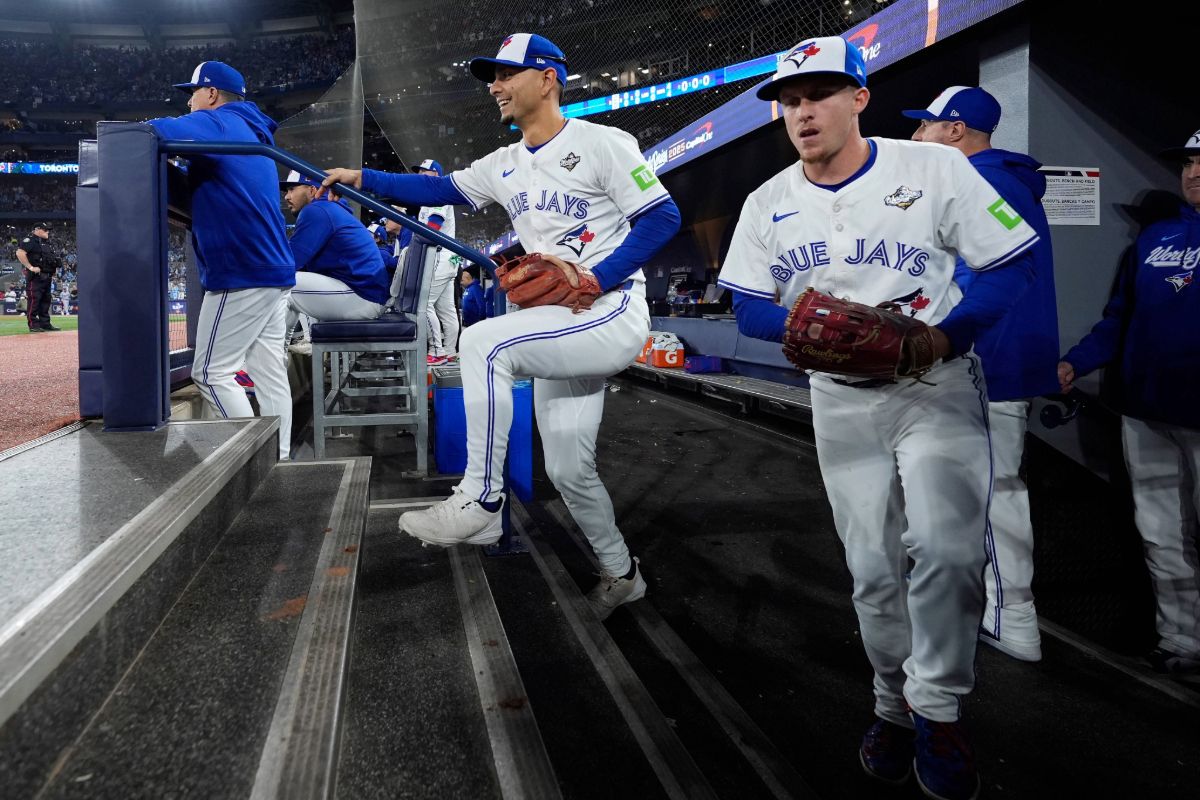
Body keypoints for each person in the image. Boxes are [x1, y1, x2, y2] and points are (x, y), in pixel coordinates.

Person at [718, 37, 1041, 800]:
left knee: (948, 552)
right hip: (840, 398)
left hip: (935, 384)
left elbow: (1010, 264)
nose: (803, 112)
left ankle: (938, 709)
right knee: (871, 567)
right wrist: (816, 329)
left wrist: (944, 336)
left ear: (859, 98)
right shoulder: (766, 201)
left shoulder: (932, 168)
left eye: (820, 95)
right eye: (790, 100)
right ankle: (892, 705)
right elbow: (749, 308)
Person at [322, 32, 681, 619]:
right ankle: (622, 572)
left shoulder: (603, 143)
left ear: (548, 78)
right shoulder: (505, 163)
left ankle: (482, 500)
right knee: (569, 469)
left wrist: (598, 279)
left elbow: (662, 216)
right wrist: (365, 178)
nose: (495, 85)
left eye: (507, 73)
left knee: (484, 341)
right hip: (556, 321)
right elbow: (439, 187)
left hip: (609, 310)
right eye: (492, 76)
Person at [906, 86, 1059, 662]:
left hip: (981, 361)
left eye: (926, 124)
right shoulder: (1008, 181)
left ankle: (1012, 618)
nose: (917, 135)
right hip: (999, 358)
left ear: (955, 131)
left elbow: (972, 280)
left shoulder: (979, 180)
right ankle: (991, 609)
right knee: (987, 489)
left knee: (991, 493)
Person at [1058, 128, 1200, 676]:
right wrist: (1076, 362)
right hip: (1144, 409)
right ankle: (1181, 640)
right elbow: (1119, 318)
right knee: (1161, 532)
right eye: (1187, 163)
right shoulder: (1154, 237)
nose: (1193, 173)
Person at [147, 61, 295, 460]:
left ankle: (254, 461)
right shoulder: (247, 126)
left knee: (211, 374)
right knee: (269, 376)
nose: (189, 103)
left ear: (211, 93)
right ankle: (279, 458)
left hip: (243, 270)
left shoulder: (223, 121)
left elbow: (153, 131)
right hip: (271, 269)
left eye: (192, 93)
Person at [280, 170, 389, 355]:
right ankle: (274, 356)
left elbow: (290, 262)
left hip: (363, 297)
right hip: (365, 294)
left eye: (292, 189)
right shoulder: (328, 209)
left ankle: (270, 358)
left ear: (312, 190)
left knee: (284, 285)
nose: (287, 197)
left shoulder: (317, 210)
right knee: (284, 282)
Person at [409, 159, 460, 365]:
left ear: (436, 174)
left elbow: (433, 227)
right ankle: (449, 351)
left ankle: (437, 351)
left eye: (425, 171)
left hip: (441, 256)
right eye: (419, 171)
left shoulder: (438, 193)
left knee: (424, 303)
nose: (420, 174)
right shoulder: (430, 196)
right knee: (446, 309)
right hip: (449, 257)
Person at [16, 222, 59, 331]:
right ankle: (33, 325)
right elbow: (20, 253)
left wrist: (53, 270)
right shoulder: (30, 240)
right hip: (36, 277)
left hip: (47, 276)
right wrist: (30, 267)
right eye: (45, 230)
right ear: (37, 230)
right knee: (35, 300)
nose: (47, 232)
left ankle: (45, 324)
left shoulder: (46, 243)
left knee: (45, 301)